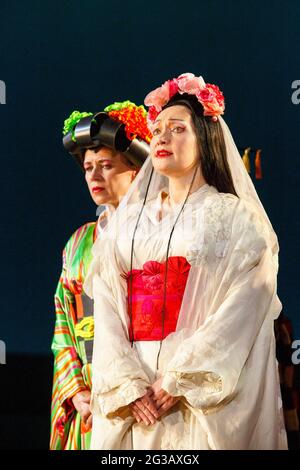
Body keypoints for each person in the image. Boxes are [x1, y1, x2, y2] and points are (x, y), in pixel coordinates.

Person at [84, 73, 288, 450]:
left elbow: (243, 307)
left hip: (195, 393)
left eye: (177, 129)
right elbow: (108, 302)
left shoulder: (233, 218)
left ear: (205, 140)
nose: (161, 137)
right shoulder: (127, 222)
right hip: (136, 389)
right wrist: (128, 383)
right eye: (158, 128)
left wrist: (179, 378)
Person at [50, 101, 151, 450]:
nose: (93, 176)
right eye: (88, 167)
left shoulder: (158, 236)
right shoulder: (79, 242)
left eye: (106, 166)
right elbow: (64, 322)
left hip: (144, 394)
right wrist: (76, 390)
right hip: (89, 400)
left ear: (135, 170)